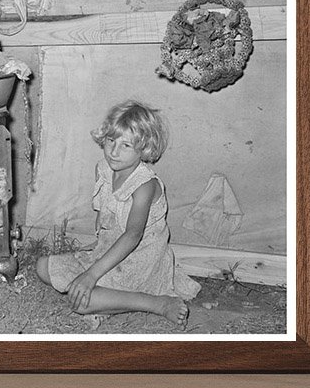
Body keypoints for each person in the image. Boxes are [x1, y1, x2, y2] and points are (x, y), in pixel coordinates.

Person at [35, 100, 200, 325]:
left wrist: (91, 275)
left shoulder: (144, 186)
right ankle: (109, 296)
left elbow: (132, 236)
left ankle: (157, 303)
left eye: (126, 146)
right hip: (108, 251)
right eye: (111, 140)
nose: (114, 151)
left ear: (144, 148)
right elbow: (104, 213)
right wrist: (97, 244)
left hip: (139, 262)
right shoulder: (104, 169)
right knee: (43, 266)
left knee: (81, 303)